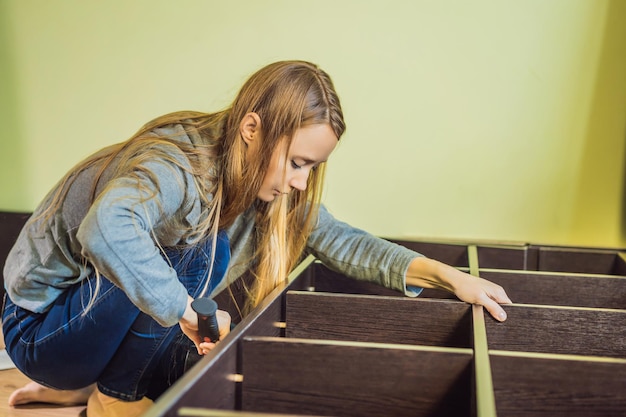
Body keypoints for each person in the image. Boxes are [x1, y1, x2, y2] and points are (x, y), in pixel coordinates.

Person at [1, 60, 511, 417]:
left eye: (312, 168)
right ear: (252, 129)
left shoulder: (259, 191)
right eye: (296, 163)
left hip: (85, 333)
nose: (300, 182)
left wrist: (448, 278)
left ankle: (96, 386)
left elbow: (344, 241)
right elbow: (106, 228)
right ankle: (111, 398)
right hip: (39, 329)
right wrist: (188, 311)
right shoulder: (178, 163)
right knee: (204, 250)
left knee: (195, 363)